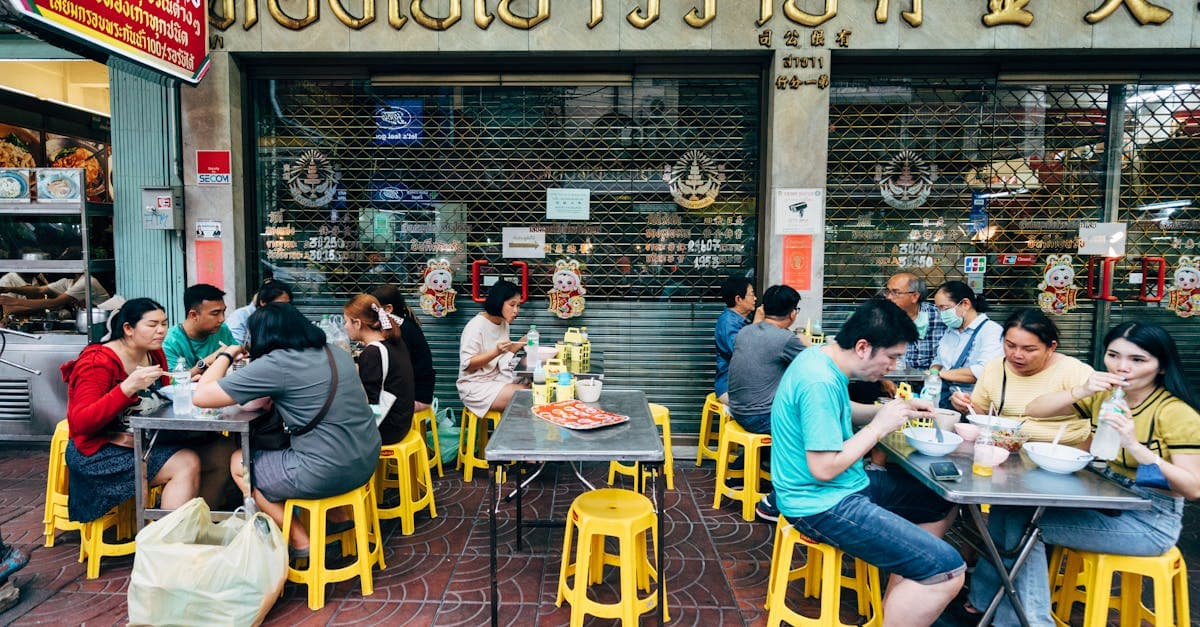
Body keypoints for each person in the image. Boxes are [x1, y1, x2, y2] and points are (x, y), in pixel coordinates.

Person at [967, 321, 1200, 625]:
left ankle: (1030, 621)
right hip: (1108, 499)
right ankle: (985, 601)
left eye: (1137, 359)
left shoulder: (1175, 413)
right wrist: (1082, 389)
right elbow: (1035, 409)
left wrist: (1135, 445)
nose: (1121, 367)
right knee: (1007, 509)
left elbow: (1193, 488)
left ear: (1161, 367)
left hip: (1150, 520)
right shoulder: (1107, 396)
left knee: (1023, 527)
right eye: (1113, 356)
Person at [767, 298, 964, 625]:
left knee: (939, 501)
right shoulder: (819, 381)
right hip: (820, 503)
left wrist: (894, 410)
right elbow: (823, 467)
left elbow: (841, 414)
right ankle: (920, 583)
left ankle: (905, 589)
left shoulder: (821, 358)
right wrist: (878, 427)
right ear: (862, 347)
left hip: (842, 486)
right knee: (948, 570)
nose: (892, 367)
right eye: (891, 357)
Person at [193, 302, 381, 557]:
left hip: (327, 470)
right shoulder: (334, 352)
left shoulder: (277, 363)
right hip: (366, 458)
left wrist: (225, 355)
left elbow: (202, 396)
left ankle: (301, 541)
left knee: (240, 462)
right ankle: (338, 516)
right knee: (295, 449)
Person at [59, 298, 234, 523]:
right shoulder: (97, 363)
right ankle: (168, 544)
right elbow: (81, 423)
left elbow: (162, 393)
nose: (161, 331)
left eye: (164, 323)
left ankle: (199, 525)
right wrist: (127, 387)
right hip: (100, 452)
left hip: (148, 440)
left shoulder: (154, 353)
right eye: (152, 325)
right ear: (128, 329)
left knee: (222, 450)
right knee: (185, 461)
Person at [949, 309, 1094, 445]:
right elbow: (985, 416)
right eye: (1010, 345)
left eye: (1029, 349)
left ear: (1051, 347)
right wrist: (966, 406)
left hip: (1063, 454)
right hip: (1007, 449)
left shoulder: (1074, 371)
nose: (1017, 355)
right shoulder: (994, 368)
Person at [727, 284, 808, 435]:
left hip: (737, 411)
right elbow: (814, 364)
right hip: (762, 417)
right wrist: (808, 344)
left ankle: (758, 457)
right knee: (815, 419)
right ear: (792, 314)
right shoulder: (785, 339)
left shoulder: (745, 331)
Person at [344, 293, 416, 445]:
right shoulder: (394, 342)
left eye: (346, 322)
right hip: (401, 424)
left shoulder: (373, 353)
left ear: (357, 323)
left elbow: (369, 401)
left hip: (385, 429)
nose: (345, 327)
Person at [456, 279, 528, 417]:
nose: (516, 311)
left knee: (536, 385)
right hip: (475, 386)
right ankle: (509, 437)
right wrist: (495, 352)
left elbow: (503, 354)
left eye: (518, 306)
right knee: (526, 395)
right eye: (512, 305)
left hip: (496, 378)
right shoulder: (476, 326)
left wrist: (521, 342)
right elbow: (468, 365)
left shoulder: (503, 323)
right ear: (499, 302)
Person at [930, 281, 1003, 408]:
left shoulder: (991, 331)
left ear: (965, 304)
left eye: (944, 308)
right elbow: (939, 360)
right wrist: (933, 372)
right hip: (946, 399)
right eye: (938, 308)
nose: (941, 314)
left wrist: (939, 374)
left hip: (971, 404)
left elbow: (984, 371)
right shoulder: (951, 330)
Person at [373, 284, 435, 412]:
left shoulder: (402, 330)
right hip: (414, 390)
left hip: (416, 396)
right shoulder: (403, 324)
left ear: (388, 308)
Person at [162, 283, 237, 379]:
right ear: (193, 315)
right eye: (215, 313)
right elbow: (171, 381)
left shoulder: (223, 330)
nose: (222, 319)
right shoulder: (169, 342)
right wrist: (206, 363)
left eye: (223, 312)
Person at [882, 272, 946, 370]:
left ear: (915, 296)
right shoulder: (880, 317)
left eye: (895, 292)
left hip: (931, 379)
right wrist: (886, 382)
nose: (889, 297)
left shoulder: (939, 317)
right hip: (892, 378)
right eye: (887, 292)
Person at [714, 274, 761, 404]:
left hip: (744, 384)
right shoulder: (728, 323)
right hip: (730, 387)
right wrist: (757, 323)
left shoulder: (741, 320)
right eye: (751, 294)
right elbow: (743, 353)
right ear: (738, 299)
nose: (755, 298)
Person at [0, 272, 111, 317]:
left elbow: (54, 303)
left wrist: (15, 301)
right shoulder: (67, 282)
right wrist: (7, 289)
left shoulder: (86, 282)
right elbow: (39, 290)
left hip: (101, 323)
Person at [226, 279, 293, 345]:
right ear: (263, 302)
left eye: (287, 305)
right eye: (279, 305)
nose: (284, 309)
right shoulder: (240, 317)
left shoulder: (286, 318)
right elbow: (235, 348)